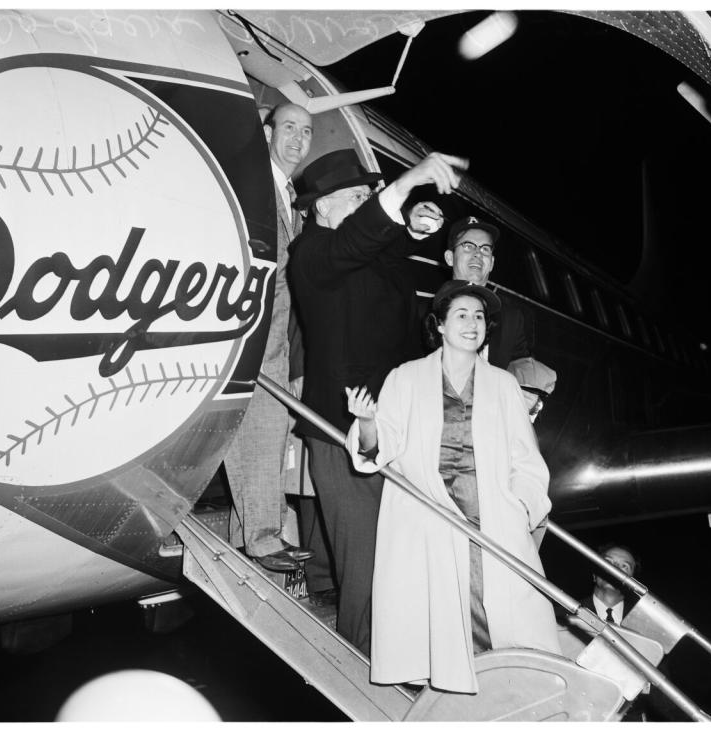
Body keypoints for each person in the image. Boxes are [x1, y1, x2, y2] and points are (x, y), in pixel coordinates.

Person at [344, 279, 561, 693]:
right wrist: (368, 422)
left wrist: (520, 507)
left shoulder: (503, 384)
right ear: (439, 325)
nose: (472, 323)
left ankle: (508, 694)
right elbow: (379, 449)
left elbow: (527, 460)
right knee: (441, 621)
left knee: (509, 615)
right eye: (461, 314)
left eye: (479, 316)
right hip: (428, 518)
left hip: (492, 517)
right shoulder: (406, 378)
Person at [288, 148, 460, 654]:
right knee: (363, 557)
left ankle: (397, 648)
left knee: (398, 551)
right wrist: (406, 185)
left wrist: (415, 228)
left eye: (369, 197)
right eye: (357, 197)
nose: (368, 205)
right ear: (322, 208)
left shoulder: (365, 255)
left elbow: (375, 247)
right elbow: (355, 243)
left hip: (390, 426)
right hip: (341, 430)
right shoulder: (311, 254)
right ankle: (358, 660)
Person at [224, 102, 314, 572]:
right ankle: (261, 536)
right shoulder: (251, 186)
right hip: (254, 331)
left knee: (270, 430)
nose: (298, 140)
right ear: (266, 132)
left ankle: (257, 531)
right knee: (260, 426)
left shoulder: (288, 195)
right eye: (289, 128)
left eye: (307, 131)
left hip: (275, 336)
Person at [443, 216, 557, 419]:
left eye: (485, 249)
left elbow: (522, 366)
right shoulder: (428, 310)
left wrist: (530, 401)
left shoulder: (512, 317)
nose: (478, 253)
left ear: (492, 263)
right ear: (450, 257)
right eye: (468, 246)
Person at [587, 543, 640, 625]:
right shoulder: (565, 615)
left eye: (624, 566)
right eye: (608, 561)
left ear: (633, 583)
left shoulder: (643, 624)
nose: (614, 568)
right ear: (595, 574)